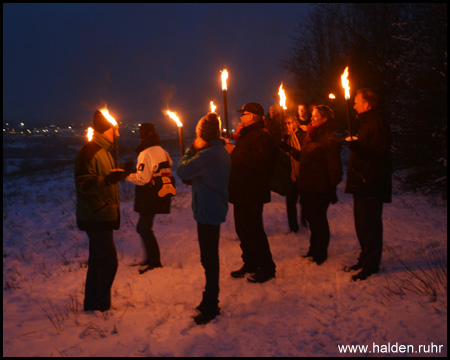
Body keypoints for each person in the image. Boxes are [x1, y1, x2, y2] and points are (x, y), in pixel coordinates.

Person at [176, 112, 231, 325]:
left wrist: (190, 149)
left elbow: (182, 170)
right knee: (208, 258)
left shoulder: (208, 155)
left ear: (203, 134)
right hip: (211, 209)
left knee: (209, 260)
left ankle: (211, 305)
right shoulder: (219, 151)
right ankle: (208, 299)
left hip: (208, 211)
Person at [75, 110, 128, 312]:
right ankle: (100, 305)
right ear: (107, 129)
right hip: (95, 215)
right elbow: (84, 184)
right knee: (109, 262)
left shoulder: (104, 151)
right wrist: (106, 180)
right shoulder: (90, 151)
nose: (119, 134)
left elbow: (105, 179)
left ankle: (92, 304)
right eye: (116, 129)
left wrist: (122, 173)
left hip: (102, 214)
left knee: (98, 261)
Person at [281, 105, 342, 265]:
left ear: (325, 119)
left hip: (319, 188)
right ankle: (313, 249)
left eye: (315, 116)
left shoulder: (329, 139)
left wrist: (331, 187)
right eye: (312, 116)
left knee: (318, 220)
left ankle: (321, 252)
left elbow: (334, 167)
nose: (312, 118)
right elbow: (304, 157)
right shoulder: (312, 136)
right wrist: (287, 149)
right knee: (312, 218)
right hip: (308, 187)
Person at [344, 88, 392, 281]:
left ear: (367, 105)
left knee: (371, 225)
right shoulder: (365, 124)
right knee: (361, 224)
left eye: (357, 102)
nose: (354, 105)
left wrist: (358, 146)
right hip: (361, 184)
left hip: (372, 183)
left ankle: (372, 263)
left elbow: (380, 152)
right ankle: (365, 258)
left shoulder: (378, 123)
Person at [228, 102, 277, 283]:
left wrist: (234, 151)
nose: (240, 117)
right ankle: (249, 263)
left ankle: (267, 268)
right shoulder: (247, 135)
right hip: (241, 190)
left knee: (254, 231)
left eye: (243, 114)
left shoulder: (261, 136)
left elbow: (260, 162)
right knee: (243, 231)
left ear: (251, 116)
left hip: (252, 192)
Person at [125, 123, 173, 274]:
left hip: (149, 195)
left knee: (144, 228)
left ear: (146, 135)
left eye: (141, 134)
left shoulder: (145, 153)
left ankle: (155, 262)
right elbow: (168, 164)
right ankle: (150, 259)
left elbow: (143, 179)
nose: (139, 137)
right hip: (160, 193)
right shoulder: (161, 150)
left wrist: (125, 174)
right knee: (143, 228)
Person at [280, 114, 303, 233]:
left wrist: (289, 149)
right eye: (285, 123)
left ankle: (305, 223)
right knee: (291, 203)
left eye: (289, 123)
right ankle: (293, 228)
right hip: (290, 176)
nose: (287, 126)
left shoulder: (301, 136)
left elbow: (301, 155)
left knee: (304, 202)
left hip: (302, 174)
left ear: (294, 124)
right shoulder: (283, 138)